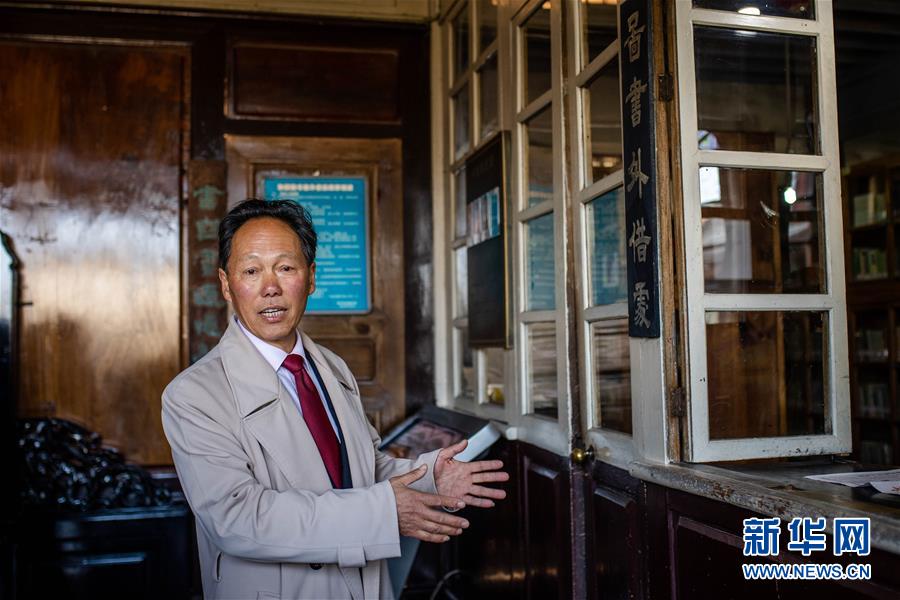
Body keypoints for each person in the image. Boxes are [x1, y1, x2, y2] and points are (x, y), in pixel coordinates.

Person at [161, 199, 508, 600]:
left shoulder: (332, 367)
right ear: (226, 284)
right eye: (251, 271)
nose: (270, 287)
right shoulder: (194, 395)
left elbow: (362, 468)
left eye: (286, 268)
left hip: (363, 584)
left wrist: (431, 477)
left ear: (310, 277)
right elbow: (237, 519)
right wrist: (383, 512)